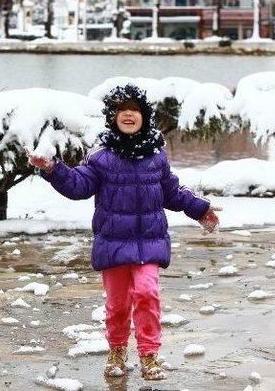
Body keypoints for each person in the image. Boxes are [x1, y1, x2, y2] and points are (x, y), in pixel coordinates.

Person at [28, 84, 220, 380]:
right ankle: (117, 349)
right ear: (113, 116)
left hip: (149, 242)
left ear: (144, 117)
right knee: (117, 304)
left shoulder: (156, 158)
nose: (129, 114)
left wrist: (201, 209)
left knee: (147, 293)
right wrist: (54, 169)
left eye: (135, 110)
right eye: (122, 110)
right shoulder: (102, 158)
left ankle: (149, 354)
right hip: (113, 244)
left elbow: (172, 193)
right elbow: (79, 185)